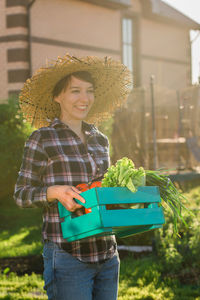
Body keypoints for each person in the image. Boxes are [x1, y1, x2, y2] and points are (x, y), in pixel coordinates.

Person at [14, 53, 132, 300]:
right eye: (75, 91)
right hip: (68, 256)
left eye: (89, 91)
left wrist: (129, 195)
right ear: (58, 96)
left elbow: (104, 193)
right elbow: (21, 194)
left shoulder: (101, 140)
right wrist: (55, 192)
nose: (84, 98)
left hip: (107, 255)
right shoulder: (42, 139)